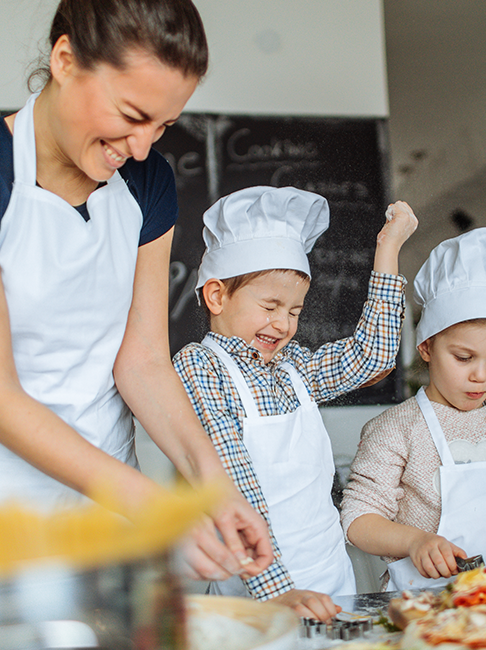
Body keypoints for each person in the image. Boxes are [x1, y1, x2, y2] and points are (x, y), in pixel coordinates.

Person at [0, 0, 273, 582]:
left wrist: (212, 486)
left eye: (163, 126)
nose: (141, 148)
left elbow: (141, 362)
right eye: (131, 115)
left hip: (100, 507)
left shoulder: (147, 181)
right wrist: (156, 508)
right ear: (65, 60)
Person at [173, 186, 417, 620]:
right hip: (255, 597)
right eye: (270, 305)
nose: (284, 323)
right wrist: (278, 592)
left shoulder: (292, 367)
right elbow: (233, 485)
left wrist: (388, 246)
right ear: (216, 297)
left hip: (331, 583)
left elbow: (373, 356)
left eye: (295, 311)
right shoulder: (200, 367)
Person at [341, 227, 486, 591]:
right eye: (463, 357)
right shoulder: (397, 428)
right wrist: (415, 541)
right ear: (426, 347)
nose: (480, 375)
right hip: (422, 606)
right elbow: (358, 519)